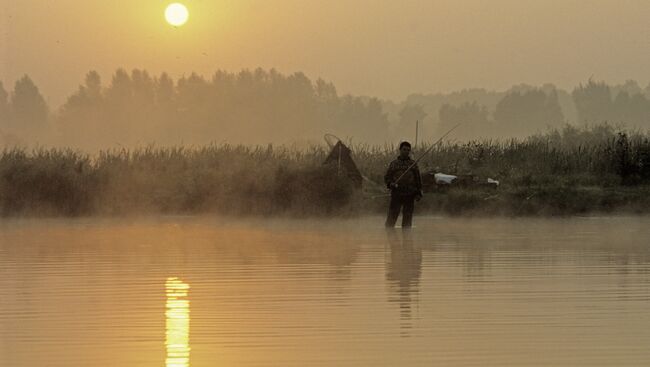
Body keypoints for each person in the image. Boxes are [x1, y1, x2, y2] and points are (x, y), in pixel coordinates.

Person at [384, 141, 423, 228]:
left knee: (407, 223)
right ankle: (390, 239)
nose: (406, 152)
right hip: (397, 194)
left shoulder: (413, 164)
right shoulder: (394, 164)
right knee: (390, 221)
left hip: (410, 194)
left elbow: (418, 179)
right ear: (400, 150)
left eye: (408, 150)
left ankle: (407, 240)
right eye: (404, 149)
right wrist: (391, 184)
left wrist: (419, 192)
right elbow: (387, 177)